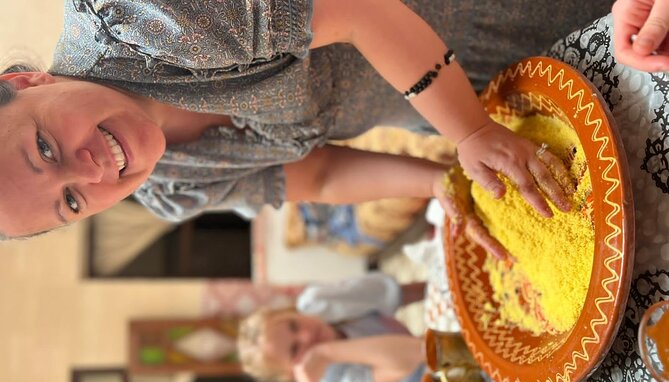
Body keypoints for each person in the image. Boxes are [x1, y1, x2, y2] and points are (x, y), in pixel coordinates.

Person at [0, 0, 620, 243]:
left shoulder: (142, 21)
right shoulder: (171, 188)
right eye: (72, 202)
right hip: (460, 106)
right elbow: (318, 175)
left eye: (46, 149)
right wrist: (442, 181)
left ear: (24, 83)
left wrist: (472, 135)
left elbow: (364, 15)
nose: (90, 172)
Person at [236, 272, 429, 382]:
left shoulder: (319, 302)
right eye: (295, 349)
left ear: (293, 310)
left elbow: (396, 293)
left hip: (424, 345)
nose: (307, 335)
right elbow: (416, 351)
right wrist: (327, 353)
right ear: (293, 374)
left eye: (294, 325)